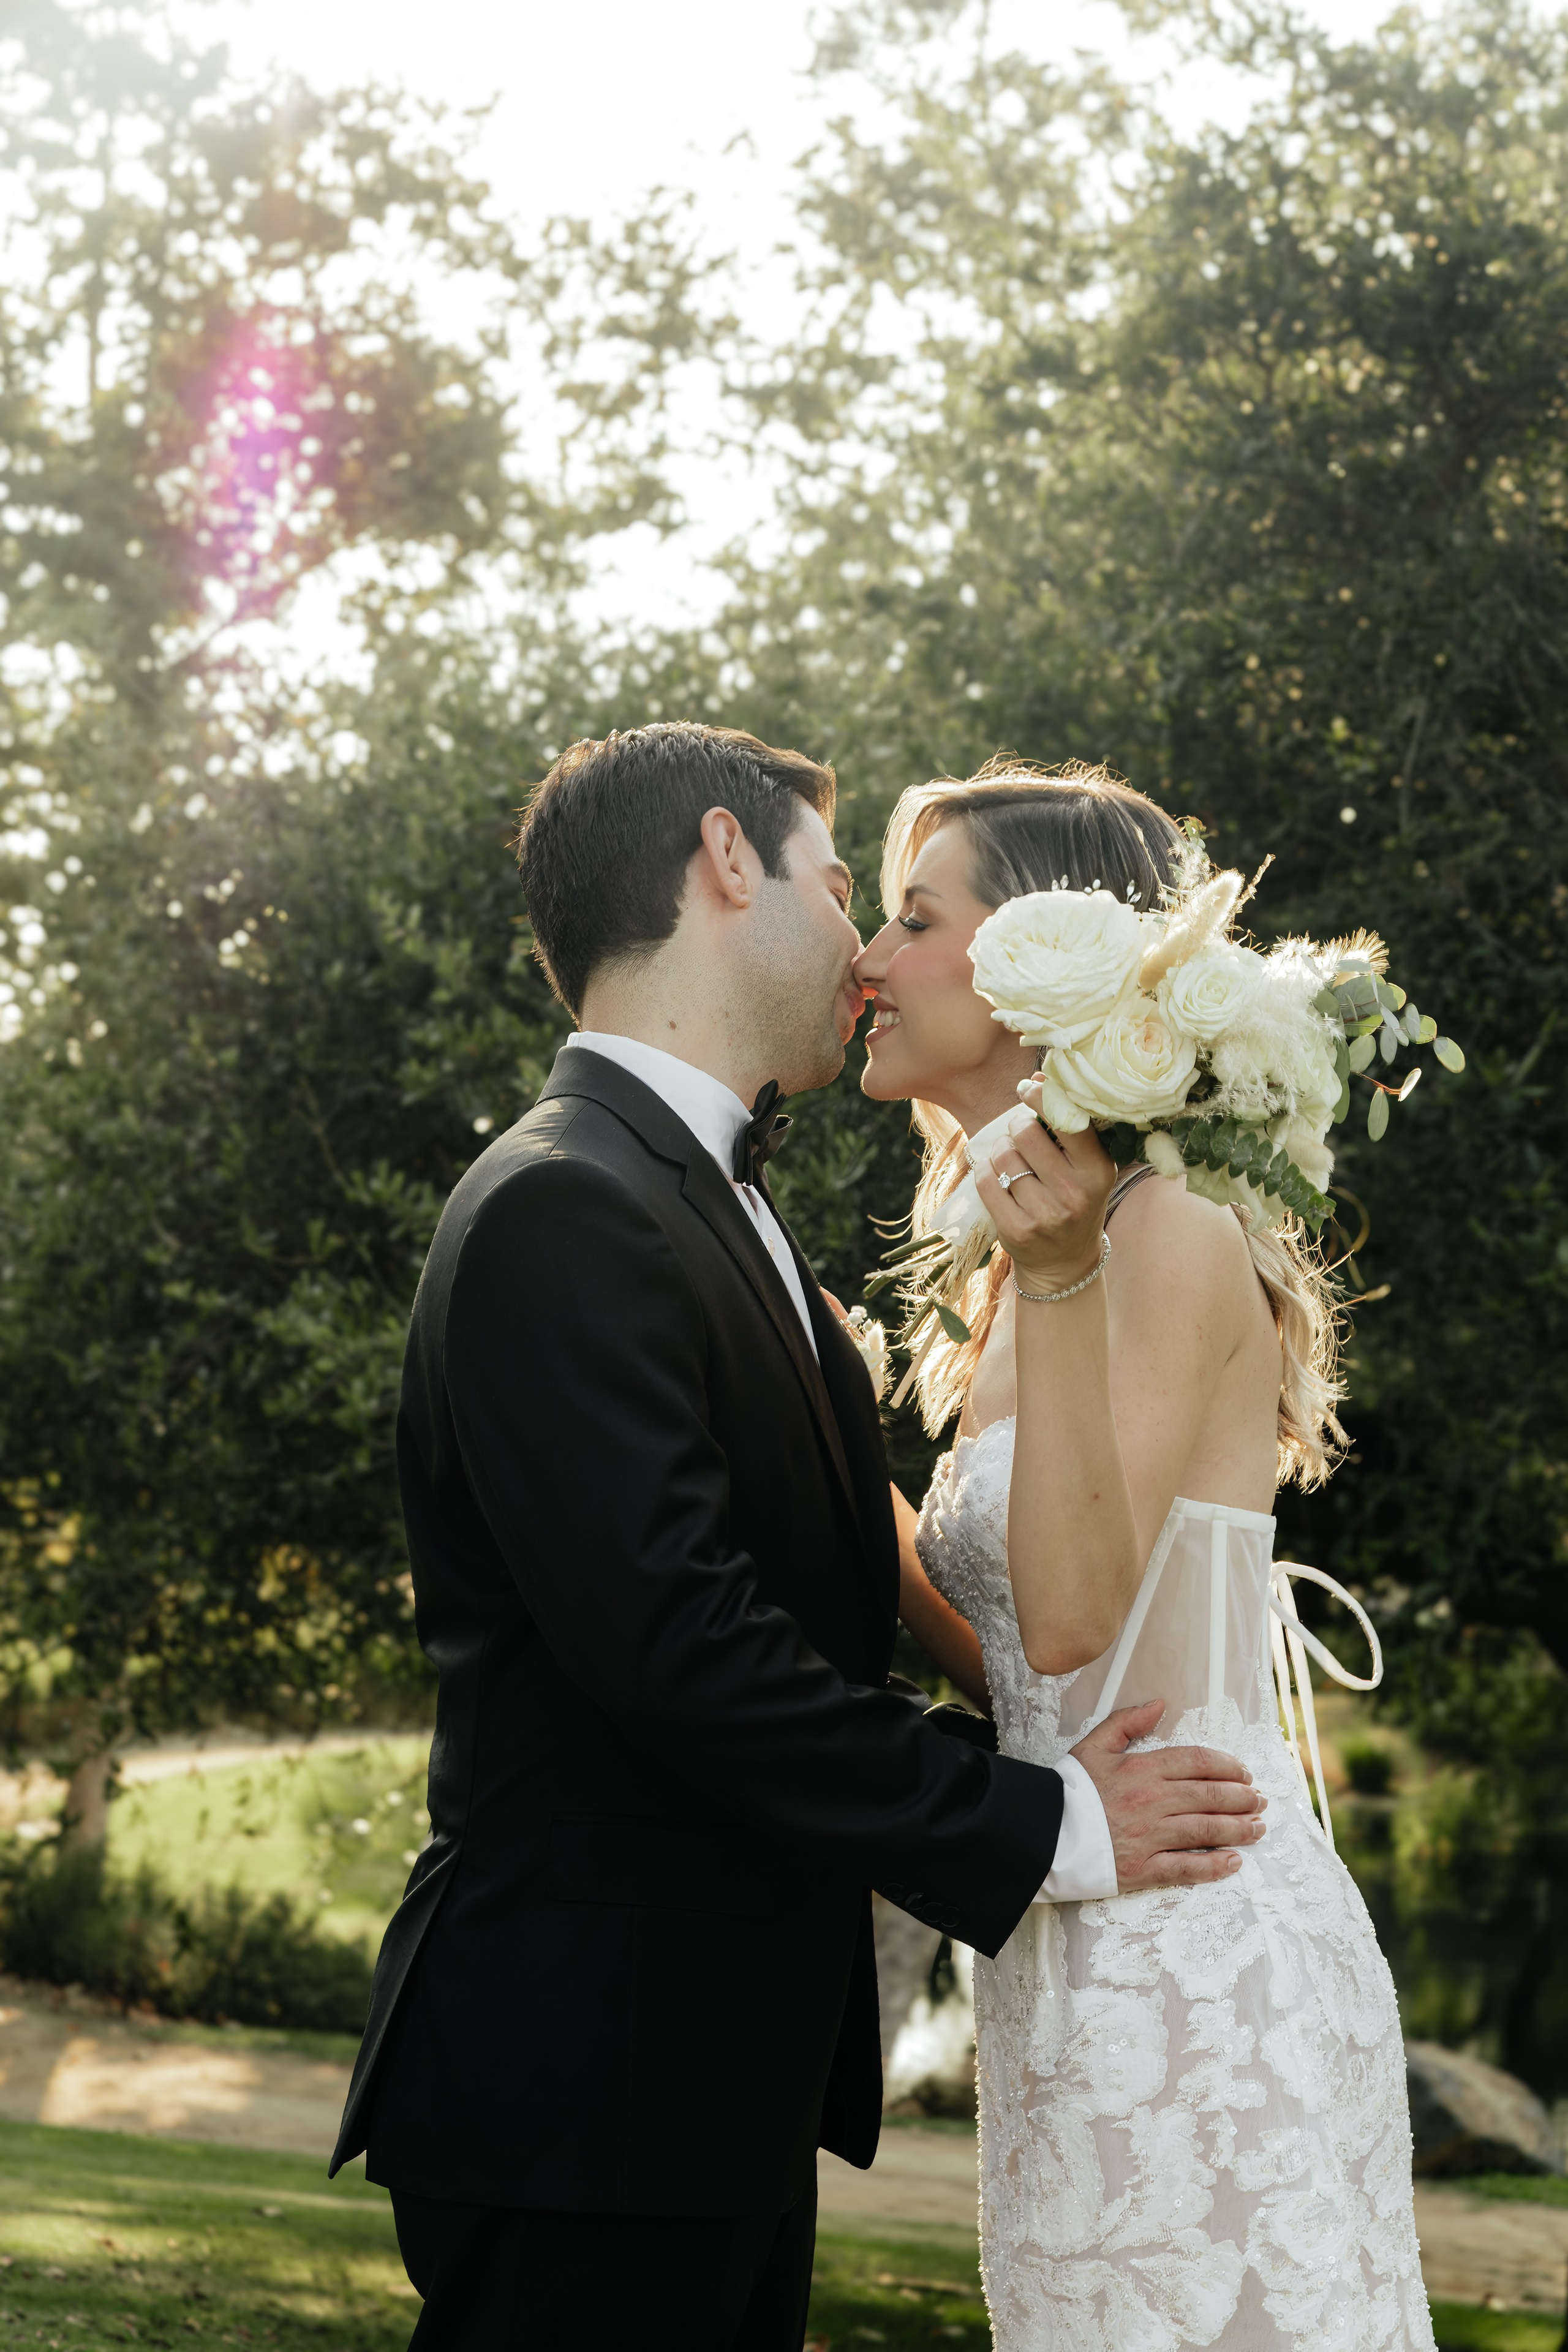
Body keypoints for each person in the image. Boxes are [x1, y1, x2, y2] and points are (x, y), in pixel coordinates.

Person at [328, 723, 1268, 2351]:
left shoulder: (701, 1203)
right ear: (723, 861)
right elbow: (682, 1649)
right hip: (589, 2086)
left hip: (687, 2086)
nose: (862, 946)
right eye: (851, 891)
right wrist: (1038, 1823)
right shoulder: (571, 1203)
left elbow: (843, 1586)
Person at [854, 757, 1434, 2351]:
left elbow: (1081, 1618)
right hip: (1071, 1922)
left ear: (1042, 962)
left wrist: (1045, 1290)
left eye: (913, 919)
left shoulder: (1153, 1236)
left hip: (1195, 1933)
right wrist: (845, 1450)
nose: (869, 963)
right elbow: (1031, 1664)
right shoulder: (1018, 1268)